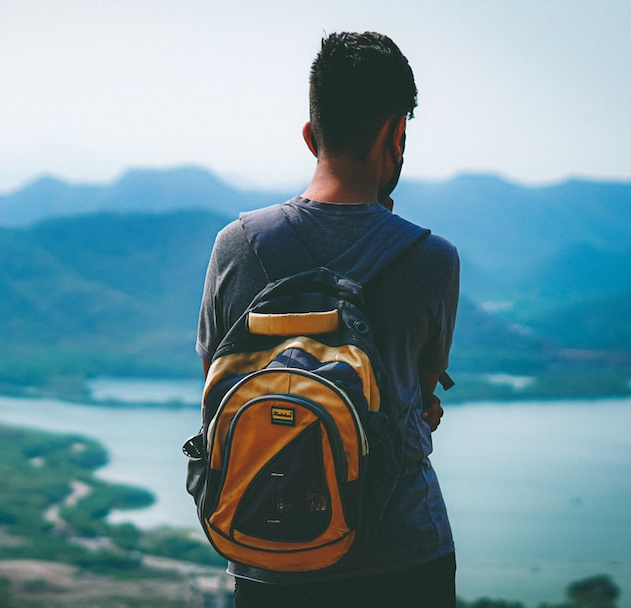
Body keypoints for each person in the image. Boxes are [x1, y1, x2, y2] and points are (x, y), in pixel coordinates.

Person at [195, 32, 460, 607]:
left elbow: (218, 377)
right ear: (397, 133)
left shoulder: (235, 246)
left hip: (265, 544)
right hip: (403, 553)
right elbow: (417, 398)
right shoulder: (431, 259)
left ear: (311, 134)